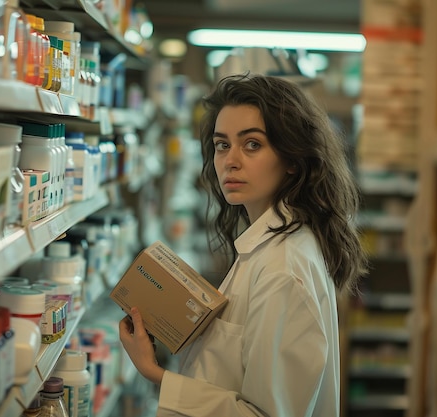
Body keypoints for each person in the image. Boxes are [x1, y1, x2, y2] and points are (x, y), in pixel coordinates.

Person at [119, 73, 368, 416]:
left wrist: (154, 373)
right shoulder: (270, 243)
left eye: (252, 144)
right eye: (222, 144)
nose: (230, 160)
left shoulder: (282, 268)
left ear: (293, 159)